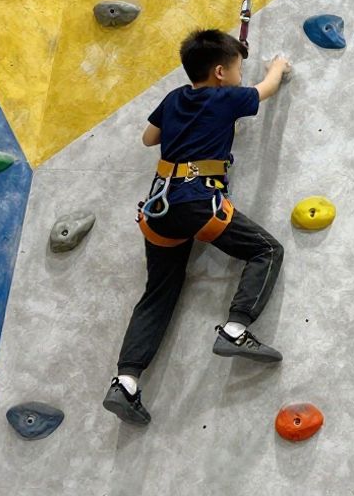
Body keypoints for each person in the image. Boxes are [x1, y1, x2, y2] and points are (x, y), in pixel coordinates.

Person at [103, 30, 292, 425]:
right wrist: (278, 66)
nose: (242, 74)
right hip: (196, 202)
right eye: (238, 68)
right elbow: (266, 90)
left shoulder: (174, 98)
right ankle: (236, 329)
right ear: (221, 72)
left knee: (158, 294)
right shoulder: (226, 97)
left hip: (159, 208)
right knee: (266, 250)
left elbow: (148, 137)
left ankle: (126, 382)